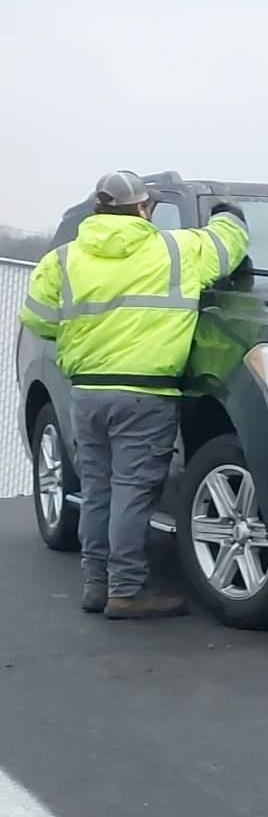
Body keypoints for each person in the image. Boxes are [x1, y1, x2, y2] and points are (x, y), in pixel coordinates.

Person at [18, 172, 250, 617]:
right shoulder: (176, 250)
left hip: (86, 392)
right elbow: (230, 242)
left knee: (97, 490)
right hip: (146, 393)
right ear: (144, 209)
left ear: (97, 210)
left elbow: (40, 320)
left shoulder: (64, 260)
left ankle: (96, 585)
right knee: (131, 492)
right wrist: (227, 209)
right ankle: (126, 591)